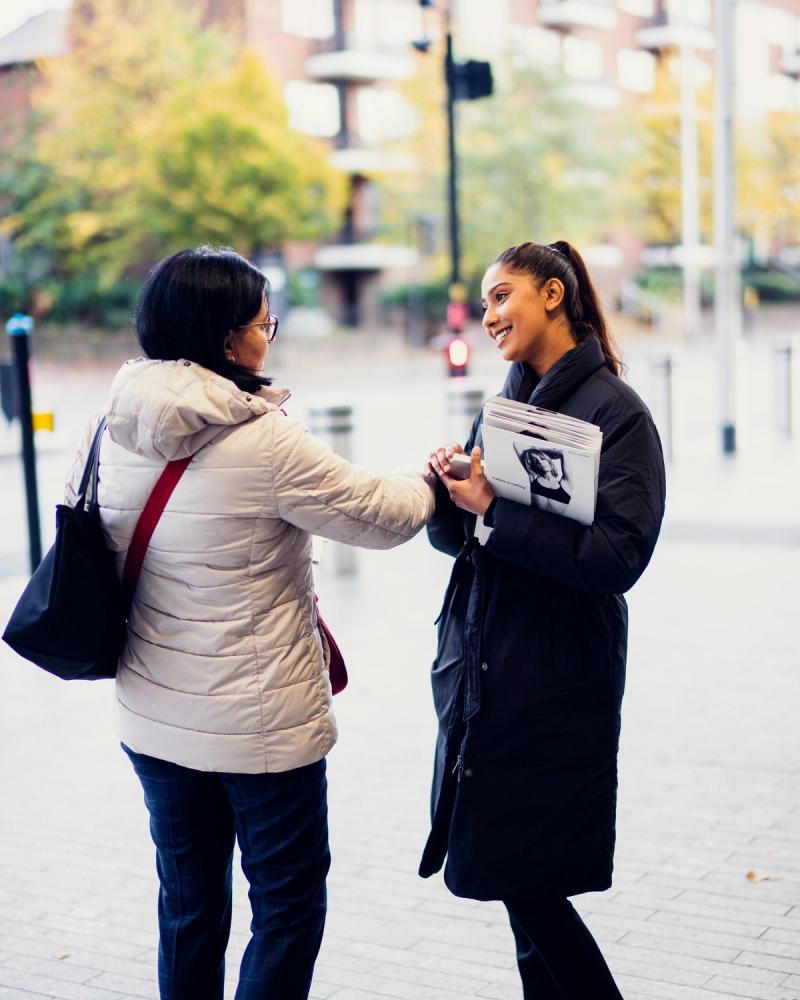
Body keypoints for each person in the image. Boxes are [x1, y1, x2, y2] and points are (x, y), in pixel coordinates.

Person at [63, 246, 434, 1000]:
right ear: (228, 338)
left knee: (189, 903)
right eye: (265, 321)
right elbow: (380, 515)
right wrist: (427, 476)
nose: (272, 335)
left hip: (153, 717)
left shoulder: (107, 426)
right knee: (287, 905)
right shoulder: (262, 439)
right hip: (260, 731)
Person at [423, 240, 666, 999]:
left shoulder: (616, 414)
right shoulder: (504, 409)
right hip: (487, 668)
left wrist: (493, 509)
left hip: (558, 674)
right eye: (487, 302)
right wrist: (450, 493)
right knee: (517, 876)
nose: (490, 315)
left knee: (525, 879)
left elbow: (617, 556)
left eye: (503, 296)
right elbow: (464, 537)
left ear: (553, 295)